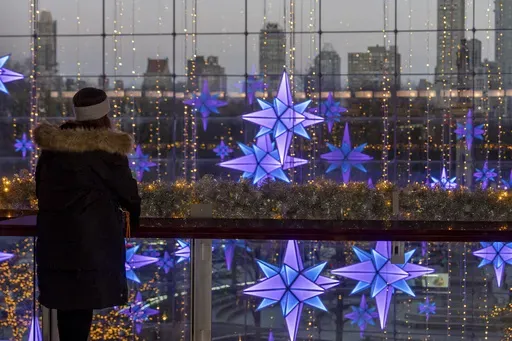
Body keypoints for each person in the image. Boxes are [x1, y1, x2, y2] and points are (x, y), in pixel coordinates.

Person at [34, 87, 141, 341]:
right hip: (92, 246)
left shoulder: (52, 149)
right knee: (81, 315)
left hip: (55, 242)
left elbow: (41, 190)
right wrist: (133, 223)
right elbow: (129, 195)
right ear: (105, 115)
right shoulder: (108, 151)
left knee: (68, 315)